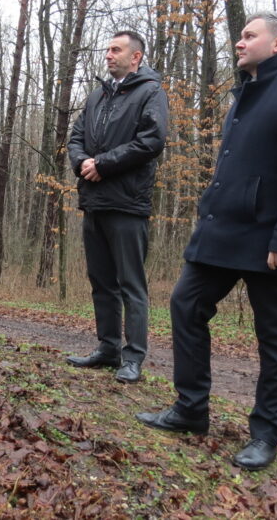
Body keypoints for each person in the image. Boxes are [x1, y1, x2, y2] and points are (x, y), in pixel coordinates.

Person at [136, 11, 277, 471]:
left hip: (269, 238)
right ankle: (190, 409)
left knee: (274, 335)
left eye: (250, 35)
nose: (239, 42)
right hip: (221, 229)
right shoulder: (244, 92)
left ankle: (265, 434)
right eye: (240, 35)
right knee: (186, 305)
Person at [65, 30, 169, 384]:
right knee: (101, 281)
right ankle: (107, 348)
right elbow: (76, 136)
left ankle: (133, 356)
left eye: (116, 50)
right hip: (94, 201)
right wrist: (82, 162)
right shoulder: (98, 95)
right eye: (107, 49)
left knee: (130, 284)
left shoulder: (150, 92)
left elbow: (151, 141)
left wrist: (103, 164)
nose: (108, 55)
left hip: (128, 204)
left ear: (135, 57)